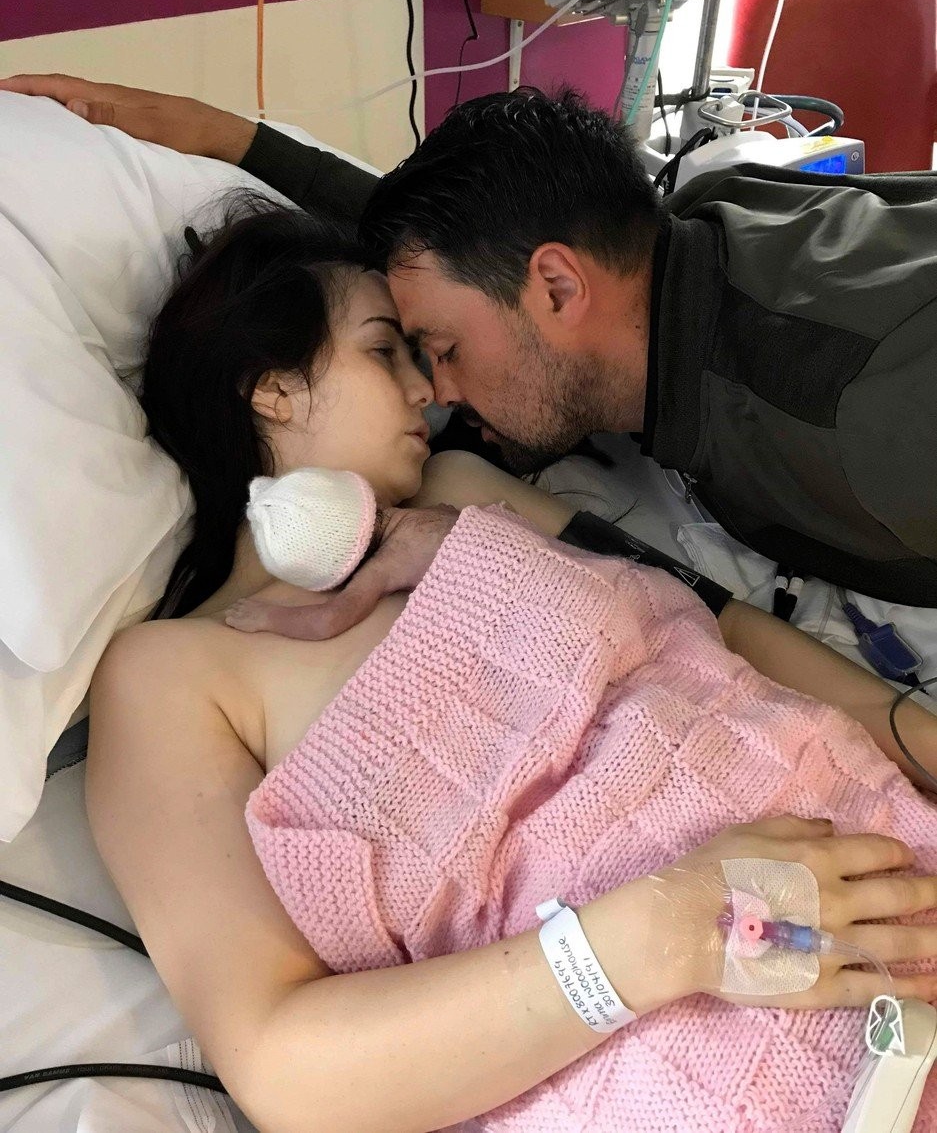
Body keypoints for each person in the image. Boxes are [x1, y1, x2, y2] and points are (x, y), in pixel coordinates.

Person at [76, 193, 937, 1132]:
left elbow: (716, 630)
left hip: (882, 841)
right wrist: (670, 927)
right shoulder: (170, 677)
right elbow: (282, 1063)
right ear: (270, 388)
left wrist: (920, 741)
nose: (428, 391)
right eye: (383, 352)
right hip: (725, 1056)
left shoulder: (463, 493)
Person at [3, 73, 937, 624]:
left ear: (558, 289)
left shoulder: (861, 415)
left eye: (436, 347)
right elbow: (452, 252)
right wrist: (232, 139)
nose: (437, 388)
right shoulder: (688, 234)